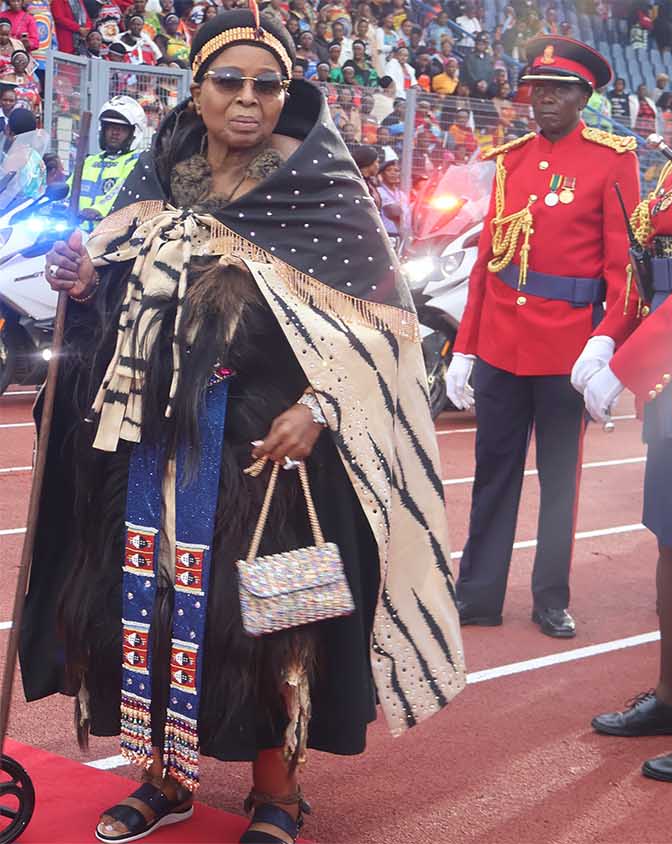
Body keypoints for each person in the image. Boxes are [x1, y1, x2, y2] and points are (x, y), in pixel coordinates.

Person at [24, 11, 464, 843]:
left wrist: (319, 408)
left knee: (272, 621)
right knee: (145, 601)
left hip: (268, 452)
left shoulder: (322, 192)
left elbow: (387, 333)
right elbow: (118, 305)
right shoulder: (156, 177)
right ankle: (164, 776)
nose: (249, 100)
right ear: (195, 89)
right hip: (151, 442)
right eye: (230, 81)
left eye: (268, 86)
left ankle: (277, 793)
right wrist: (85, 285)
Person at [444, 35, 641, 640]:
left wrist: (607, 342)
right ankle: (477, 594)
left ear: (584, 96)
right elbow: (486, 265)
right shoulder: (510, 160)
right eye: (538, 90)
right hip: (503, 343)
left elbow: (624, 269)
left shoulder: (611, 160)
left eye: (560, 90)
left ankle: (551, 596)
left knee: (561, 480)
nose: (545, 100)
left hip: (567, 349)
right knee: (492, 472)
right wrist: (465, 347)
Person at [577, 6, 672, 786]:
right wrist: (609, 335)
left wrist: (625, 365)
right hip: (668, 369)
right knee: (670, 540)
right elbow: (649, 255)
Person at [68, 95, 147, 221]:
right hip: (75, 228)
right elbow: (68, 188)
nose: (115, 132)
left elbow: (120, 189)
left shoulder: (136, 161)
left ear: (134, 133)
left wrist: (99, 209)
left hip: (108, 232)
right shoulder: (89, 161)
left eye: (122, 128)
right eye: (110, 127)